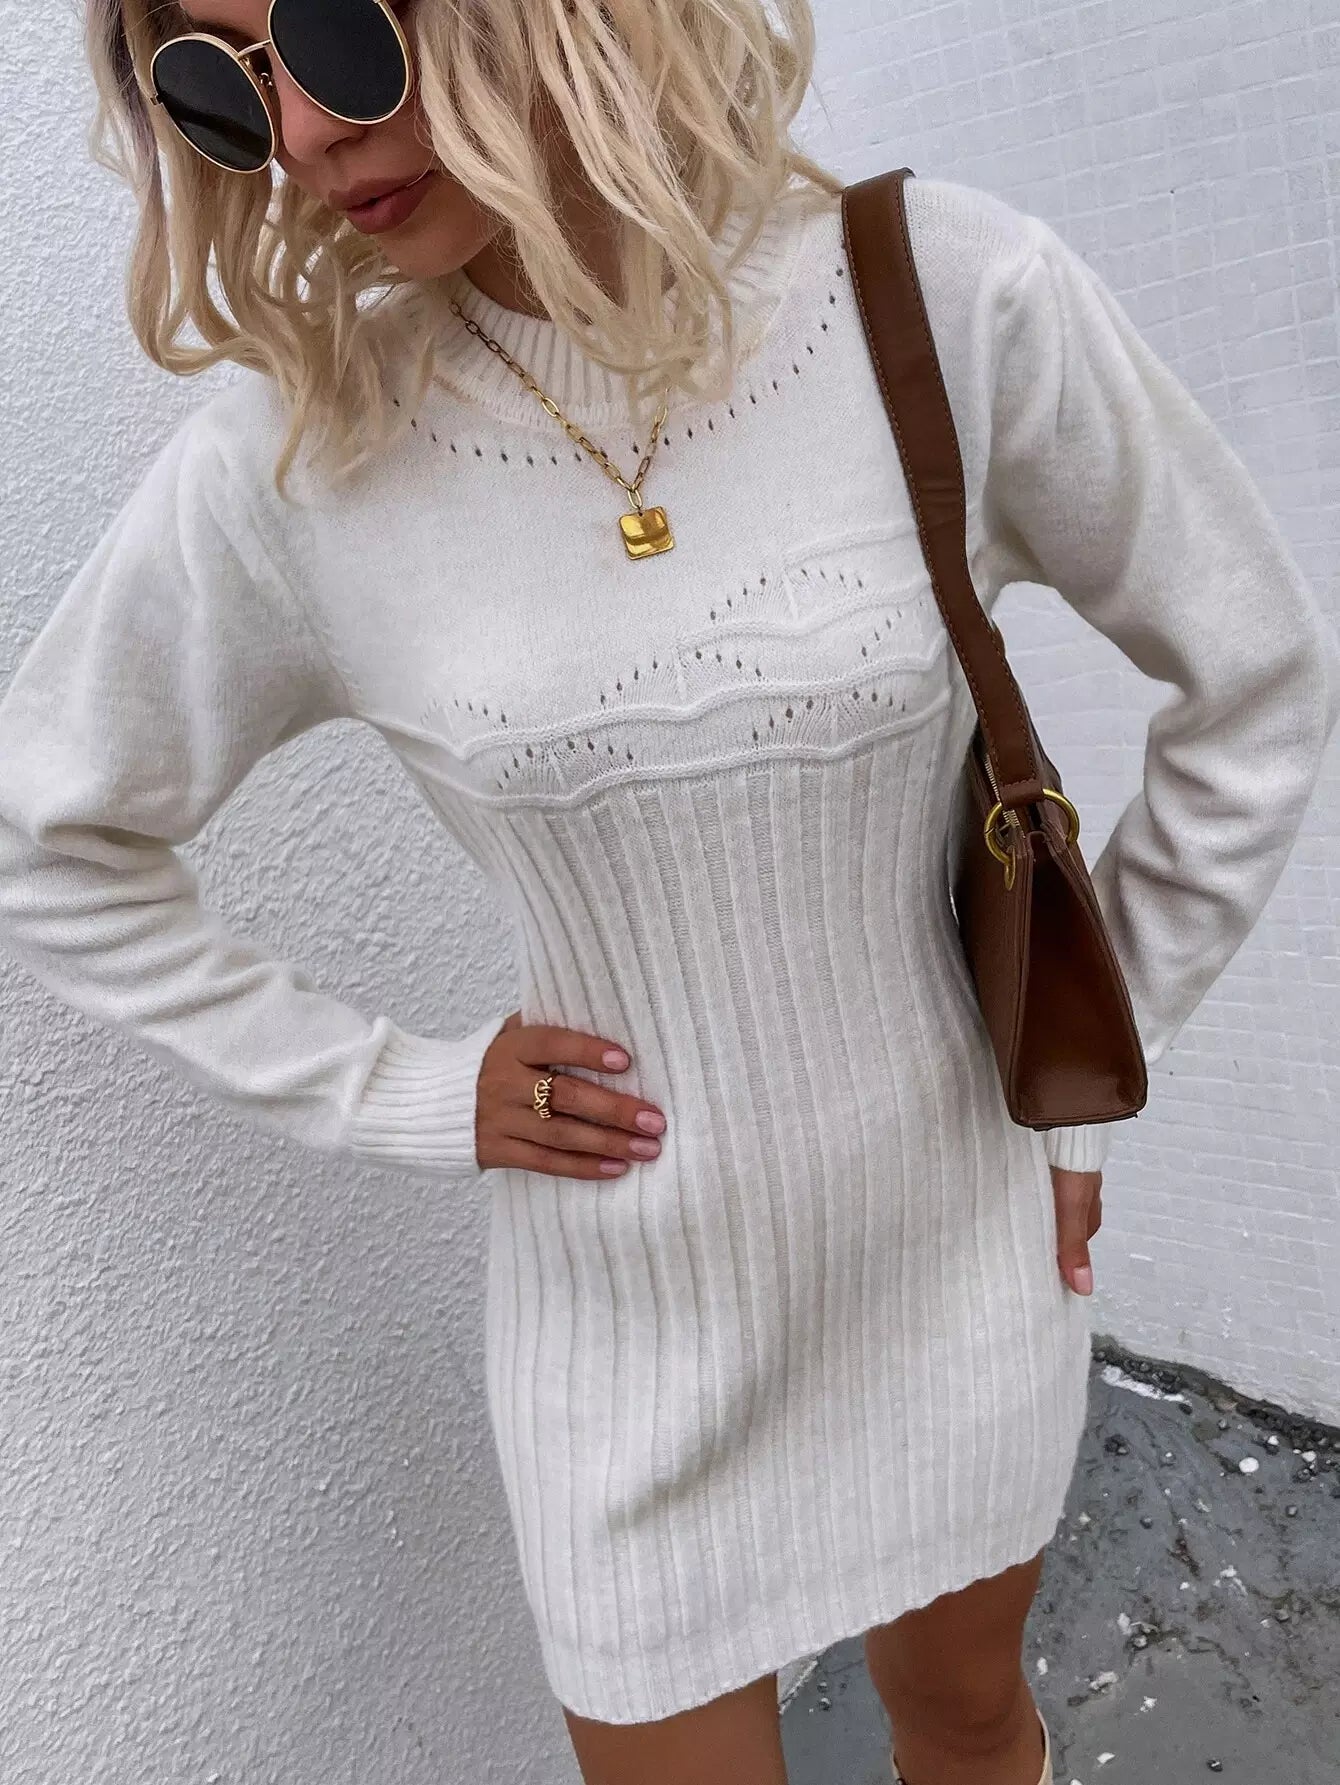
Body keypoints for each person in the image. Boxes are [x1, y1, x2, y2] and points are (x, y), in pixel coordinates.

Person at [3, 2, 1337, 1781]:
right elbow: (50, 832)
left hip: (954, 1257)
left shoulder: (939, 296)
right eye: (217, 88)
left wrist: (1096, 1068)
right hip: (623, 1338)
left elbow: (1255, 674)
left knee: (964, 1724)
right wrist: (393, 1084)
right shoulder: (306, 455)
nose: (306, 136)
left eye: (334, 32)